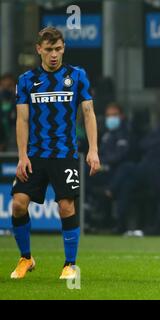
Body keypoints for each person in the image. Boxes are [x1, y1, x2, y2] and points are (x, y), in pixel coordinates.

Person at [10, 27, 100, 280]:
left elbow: (88, 113)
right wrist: (22, 156)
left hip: (65, 154)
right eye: (49, 49)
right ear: (39, 49)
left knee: (66, 206)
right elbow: (22, 119)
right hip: (35, 155)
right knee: (18, 205)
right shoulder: (26, 79)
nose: (54, 55)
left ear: (64, 48)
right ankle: (26, 258)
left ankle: (70, 264)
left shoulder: (77, 75)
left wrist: (93, 150)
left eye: (58, 49)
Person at [106, 100, 160, 234]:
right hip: (147, 168)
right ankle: (120, 224)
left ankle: (109, 192)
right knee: (127, 183)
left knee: (126, 168)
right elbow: (143, 144)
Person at [86, 102, 130, 229]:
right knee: (83, 174)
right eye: (108, 115)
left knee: (125, 178)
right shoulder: (105, 134)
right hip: (104, 171)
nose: (111, 118)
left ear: (121, 116)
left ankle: (117, 221)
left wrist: (104, 163)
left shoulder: (126, 132)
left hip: (118, 173)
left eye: (114, 115)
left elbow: (121, 156)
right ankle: (87, 213)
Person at [0, 73, 17, 151]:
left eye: (9, 86)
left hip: (14, 142)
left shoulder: (20, 102)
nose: (6, 90)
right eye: (4, 86)